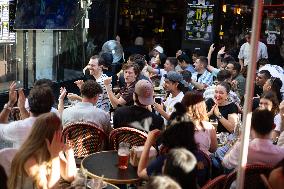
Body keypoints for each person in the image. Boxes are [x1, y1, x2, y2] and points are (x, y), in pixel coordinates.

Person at [8, 112, 77, 189]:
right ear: (51, 137)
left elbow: (70, 177)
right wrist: (55, 156)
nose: (62, 136)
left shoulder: (52, 149)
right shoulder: (30, 160)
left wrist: (69, 153)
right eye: (60, 132)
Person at [0, 83, 54, 148]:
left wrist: (10, 103)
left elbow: (1, 124)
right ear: (51, 105)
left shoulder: (19, 127)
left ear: (29, 104)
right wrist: (22, 107)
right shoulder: (56, 123)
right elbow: (31, 122)